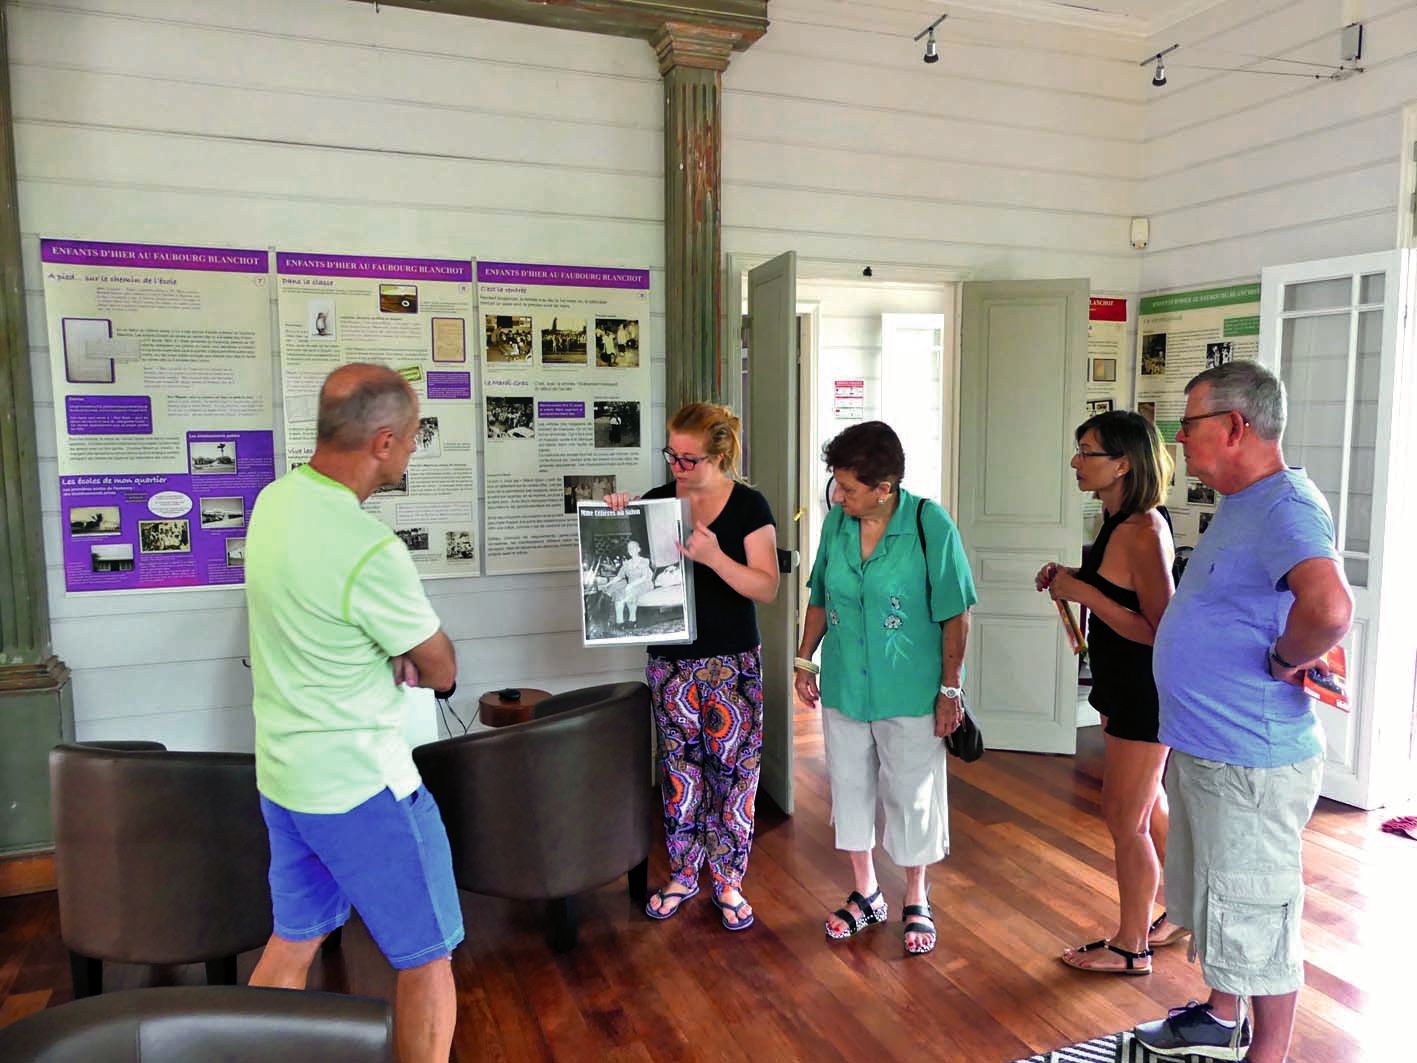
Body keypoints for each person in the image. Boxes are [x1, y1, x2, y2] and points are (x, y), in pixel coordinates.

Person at [1133, 362, 1353, 1063]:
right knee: (1213, 901)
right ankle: (1220, 1014)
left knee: (1256, 913)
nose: (1177, 437)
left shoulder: (1286, 504)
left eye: (1188, 423)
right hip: (1207, 746)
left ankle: (1268, 1052)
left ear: (1234, 425)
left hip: (1248, 757)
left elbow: (1328, 608)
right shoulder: (1244, 500)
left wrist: (1287, 658)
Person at [245, 363, 462, 1063]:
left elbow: (317, 625)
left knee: (293, 941)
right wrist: (401, 651)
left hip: (285, 776)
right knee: (428, 956)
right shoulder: (371, 549)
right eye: (412, 438)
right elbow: (441, 668)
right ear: (383, 441)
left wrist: (377, 646)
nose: (411, 451)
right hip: (364, 786)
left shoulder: (274, 502)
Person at [793, 421, 976, 956]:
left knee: (911, 793)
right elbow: (821, 595)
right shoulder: (837, 526)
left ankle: (916, 895)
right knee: (849, 787)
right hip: (847, 685)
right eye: (837, 485)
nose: (838, 496)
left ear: (885, 487)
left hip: (910, 689)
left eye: (848, 487)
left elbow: (956, 613)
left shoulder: (929, 524)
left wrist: (950, 690)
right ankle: (867, 891)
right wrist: (806, 659)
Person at [605, 402, 779, 931]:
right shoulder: (659, 502)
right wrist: (618, 513)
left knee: (735, 772)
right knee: (681, 773)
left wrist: (715, 558)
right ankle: (684, 872)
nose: (676, 469)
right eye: (671, 456)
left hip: (732, 664)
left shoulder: (749, 506)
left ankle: (728, 880)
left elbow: (766, 586)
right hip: (672, 664)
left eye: (689, 460)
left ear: (720, 455)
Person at [1036, 410, 1182, 975]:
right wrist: (1075, 578)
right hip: (1120, 684)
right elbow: (1119, 590)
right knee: (1148, 806)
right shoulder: (1115, 519)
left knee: (1126, 818)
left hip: (1145, 690)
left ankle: (1131, 946)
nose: (1076, 461)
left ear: (1123, 464)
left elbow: (1158, 629)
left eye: (1087, 451)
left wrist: (1086, 595)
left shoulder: (1143, 529)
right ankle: (1184, 910)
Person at [606, 539, 654, 625]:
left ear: (638, 549)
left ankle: (632, 619)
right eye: (629, 548)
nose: (631, 550)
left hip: (644, 584)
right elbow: (619, 576)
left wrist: (631, 585)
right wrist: (608, 584)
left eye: (633, 547)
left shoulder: (644, 561)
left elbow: (644, 577)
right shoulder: (626, 564)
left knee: (630, 591)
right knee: (618, 592)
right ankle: (619, 621)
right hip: (631, 585)